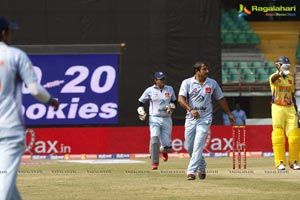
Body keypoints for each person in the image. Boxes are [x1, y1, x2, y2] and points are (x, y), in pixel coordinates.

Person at [0, 16, 59, 199]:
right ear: (4, 33)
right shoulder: (15, 55)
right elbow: (34, 89)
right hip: (9, 130)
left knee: (7, 186)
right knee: (3, 188)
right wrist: (52, 101)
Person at [178, 61, 235, 180]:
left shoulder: (212, 83)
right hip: (191, 118)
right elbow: (180, 99)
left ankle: (191, 171)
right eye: (204, 69)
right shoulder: (187, 82)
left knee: (198, 145)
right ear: (197, 71)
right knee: (189, 146)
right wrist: (191, 109)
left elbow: (221, 99)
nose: (207, 71)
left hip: (205, 118)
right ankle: (202, 166)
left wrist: (229, 113)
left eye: (207, 69)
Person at [137, 72, 177, 170]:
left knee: (167, 146)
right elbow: (140, 102)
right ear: (155, 80)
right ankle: (154, 163)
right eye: (161, 79)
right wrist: (140, 110)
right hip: (154, 118)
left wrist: (172, 106)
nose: (163, 80)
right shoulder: (150, 90)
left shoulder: (169, 89)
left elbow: (174, 101)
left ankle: (164, 151)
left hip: (167, 118)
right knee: (154, 139)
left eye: (164, 78)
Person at [269, 55, 300, 170]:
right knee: (278, 136)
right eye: (284, 65)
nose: (287, 67)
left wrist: (297, 111)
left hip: (290, 108)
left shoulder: (291, 79)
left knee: (295, 136)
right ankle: (280, 162)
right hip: (278, 107)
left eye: (288, 66)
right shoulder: (274, 77)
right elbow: (272, 80)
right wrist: (280, 73)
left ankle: (294, 162)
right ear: (278, 66)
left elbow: (292, 95)